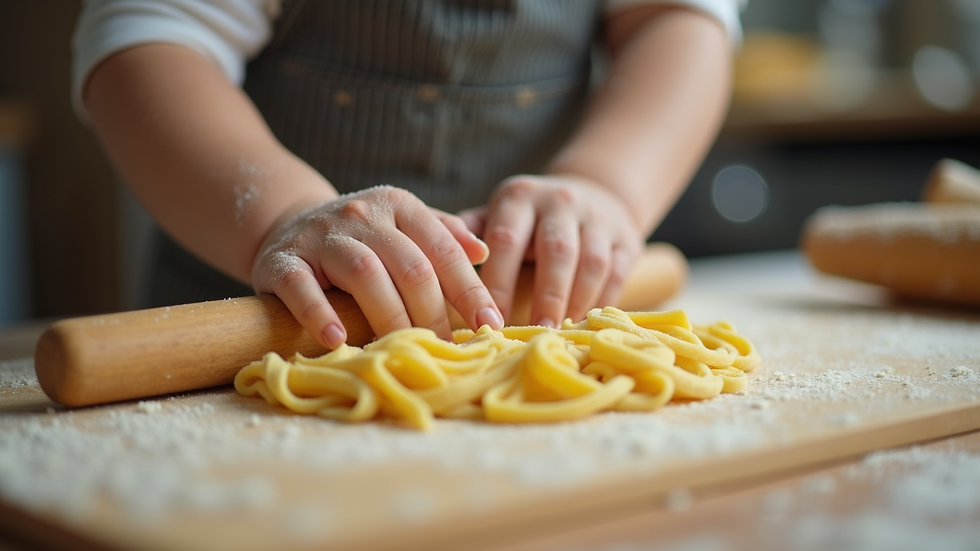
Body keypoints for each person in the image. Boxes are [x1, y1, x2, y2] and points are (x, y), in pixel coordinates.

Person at [73, 0, 742, 349]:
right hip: (250, 334)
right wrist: (280, 214)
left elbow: (675, 18)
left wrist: (607, 186)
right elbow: (150, 38)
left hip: (525, 333)